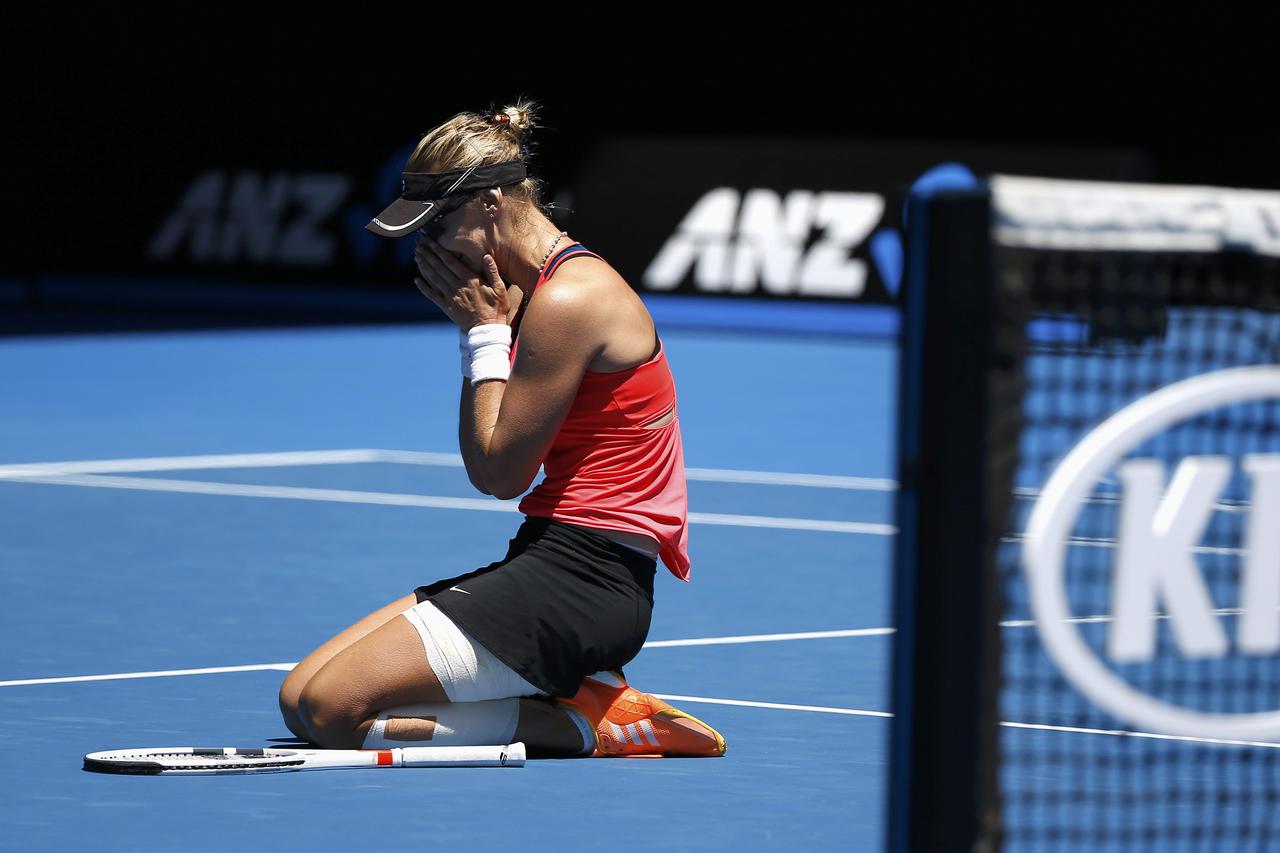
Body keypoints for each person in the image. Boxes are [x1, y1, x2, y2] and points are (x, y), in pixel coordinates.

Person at [277, 99, 725, 759]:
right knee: (298, 696)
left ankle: (581, 725)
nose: (432, 248)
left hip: (586, 585)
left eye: (438, 226)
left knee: (332, 711)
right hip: (552, 558)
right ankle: (581, 692)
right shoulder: (537, 291)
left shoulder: (570, 300)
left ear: (489, 204)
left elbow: (497, 473)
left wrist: (483, 336)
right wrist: (488, 331)